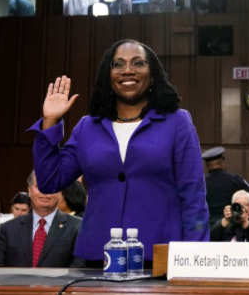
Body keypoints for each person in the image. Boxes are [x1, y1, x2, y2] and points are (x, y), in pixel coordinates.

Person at [28, 39, 209, 265]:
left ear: (153, 75)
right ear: (108, 75)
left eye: (138, 63)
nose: (128, 70)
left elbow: (193, 196)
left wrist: (194, 258)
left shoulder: (177, 122)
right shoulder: (87, 127)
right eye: (118, 64)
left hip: (160, 256)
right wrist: (50, 122)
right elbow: (49, 181)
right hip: (97, 256)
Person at [0, 172, 83, 267]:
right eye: (39, 186)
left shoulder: (77, 227)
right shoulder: (8, 228)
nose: (45, 192)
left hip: (60, 282)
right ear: (29, 190)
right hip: (16, 282)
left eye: (51, 186)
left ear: (61, 193)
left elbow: (79, 267)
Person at [202, 146, 249, 227]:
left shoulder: (201, 183)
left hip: (206, 226)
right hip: (229, 225)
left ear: (207, 166)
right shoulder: (235, 180)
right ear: (222, 163)